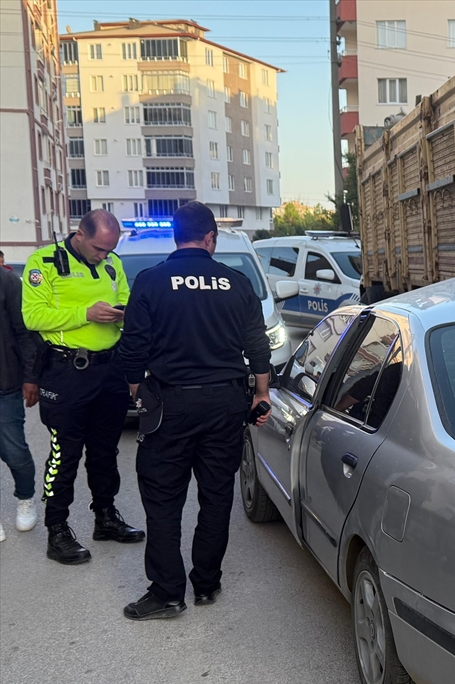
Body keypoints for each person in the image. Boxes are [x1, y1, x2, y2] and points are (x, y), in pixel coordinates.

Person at [118, 202, 272, 620]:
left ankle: (168, 592)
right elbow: (257, 346)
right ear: (210, 239)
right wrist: (261, 394)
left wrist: (139, 392)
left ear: (176, 236)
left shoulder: (150, 282)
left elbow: (132, 349)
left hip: (169, 403)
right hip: (225, 403)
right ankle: (206, 584)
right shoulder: (237, 283)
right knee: (217, 495)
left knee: (163, 499)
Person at [22, 210, 144, 564]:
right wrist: (86, 314)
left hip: (108, 370)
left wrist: (124, 314)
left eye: (110, 249)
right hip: (65, 371)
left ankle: (105, 517)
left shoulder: (112, 264)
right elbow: (33, 316)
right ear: (79, 233)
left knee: (106, 452)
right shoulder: (43, 262)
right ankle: (56, 530)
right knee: (65, 453)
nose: (104, 255)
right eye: (99, 248)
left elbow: (126, 299)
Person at [1, 264, 39, 541]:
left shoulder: (8, 282)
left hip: (5, 384)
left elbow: (25, 333)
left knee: (15, 452)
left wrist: (30, 377)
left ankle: (25, 498)